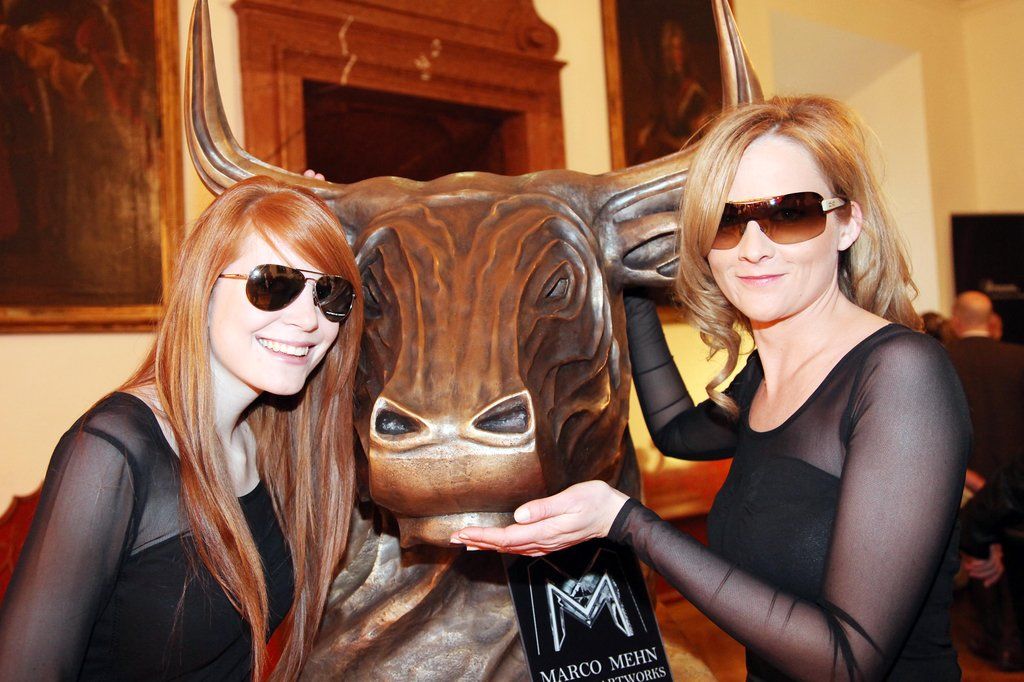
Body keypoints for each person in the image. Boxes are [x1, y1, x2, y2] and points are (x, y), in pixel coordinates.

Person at [455, 96, 971, 681]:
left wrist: (628, 525)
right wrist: (631, 289)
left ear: (847, 223)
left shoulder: (901, 375)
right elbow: (677, 433)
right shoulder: (763, 377)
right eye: (727, 220)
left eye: (790, 213)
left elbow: (847, 661)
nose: (752, 248)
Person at [0, 176, 363, 680]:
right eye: (274, 284)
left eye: (329, 293)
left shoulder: (268, 439)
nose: (308, 319)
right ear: (204, 289)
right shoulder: (114, 450)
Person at [947, 290, 1024, 670]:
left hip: (966, 481)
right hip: (1014, 481)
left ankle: (998, 639)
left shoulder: (941, 358)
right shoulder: (1018, 357)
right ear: (991, 321)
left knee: (980, 561)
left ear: (956, 321)